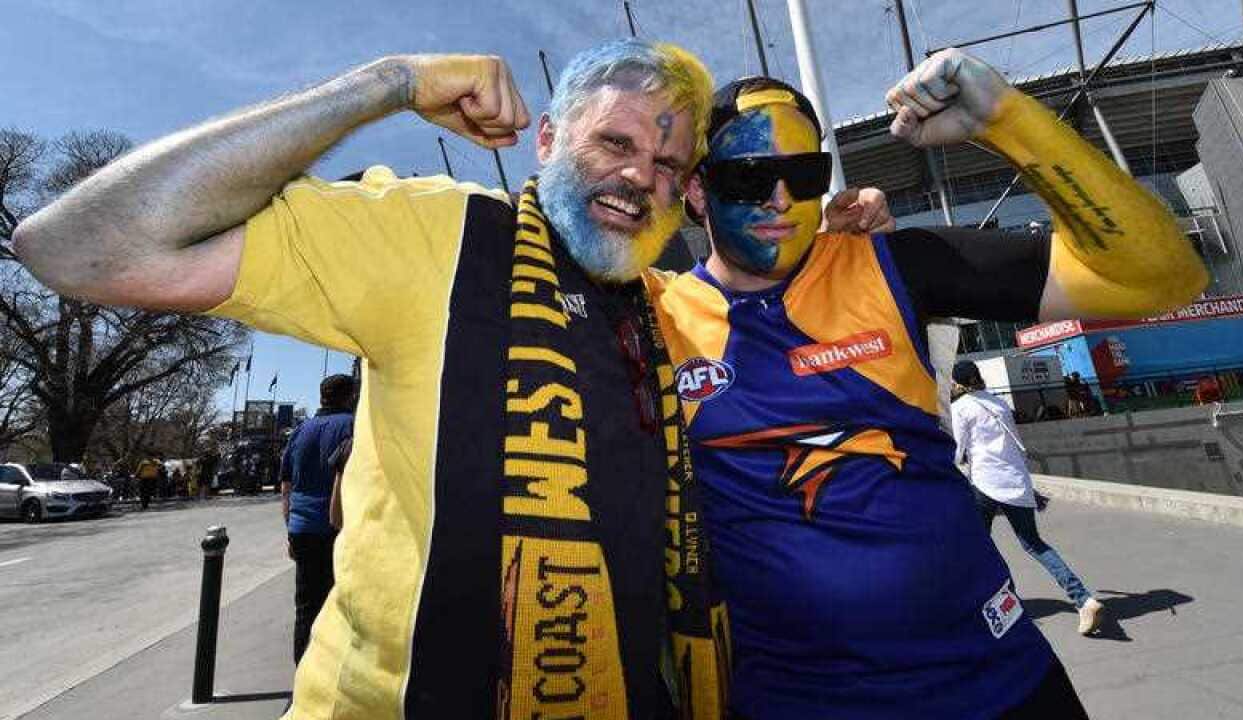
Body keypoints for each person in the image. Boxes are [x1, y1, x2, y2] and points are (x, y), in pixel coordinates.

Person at [13, 39, 741, 719]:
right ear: (548, 140)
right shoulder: (437, 234)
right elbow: (77, 249)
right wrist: (387, 84)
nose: (642, 176)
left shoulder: (661, 306)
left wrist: (838, 237)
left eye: (670, 164)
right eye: (617, 141)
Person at [645, 52, 1206, 718]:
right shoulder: (649, 316)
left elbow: (1161, 278)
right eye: (748, 177)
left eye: (803, 175)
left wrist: (1007, 119)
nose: (779, 199)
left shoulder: (893, 264)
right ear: (697, 190)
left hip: (1000, 684)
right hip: (796, 702)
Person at [951, 360, 1104, 636]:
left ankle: (997, 600)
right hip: (1017, 483)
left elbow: (958, 451)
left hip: (985, 483)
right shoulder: (998, 403)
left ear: (959, 383)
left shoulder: (960, 407)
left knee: (979, 545)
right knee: (1034, 544)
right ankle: (1083, 599)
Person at [279, 373, 355, 664]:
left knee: (306, 609)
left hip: (301, 527)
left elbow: (286, 487)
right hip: (338, 529)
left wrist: (290, 530)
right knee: (342, 607)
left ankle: (304, 673)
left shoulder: (301, 430)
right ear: (350, 396)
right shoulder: (352, 426)